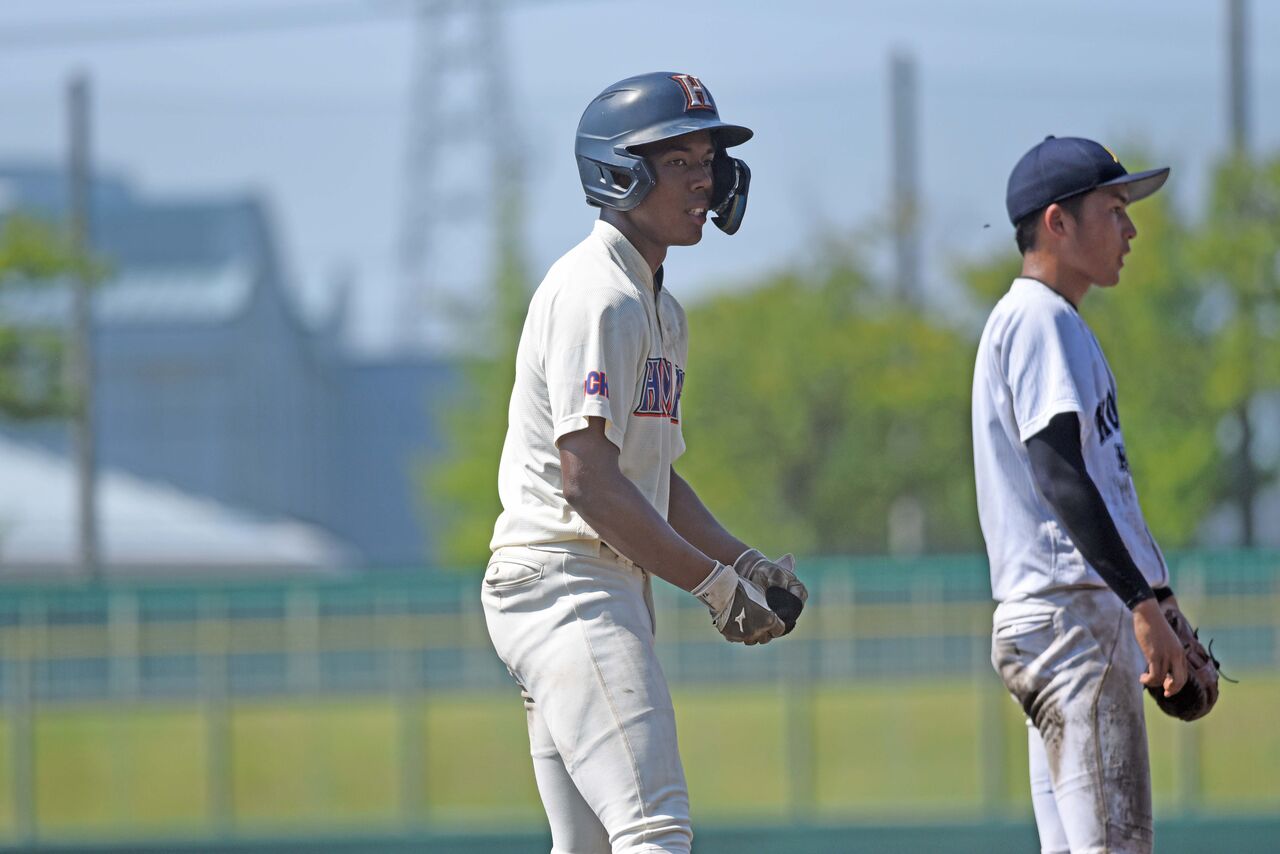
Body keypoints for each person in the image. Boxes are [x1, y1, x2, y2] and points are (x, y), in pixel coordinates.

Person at [481, 72, 808, 854]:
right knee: (654, 829)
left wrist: (743, 562)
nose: (704, 180)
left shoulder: (658, 306)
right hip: (569, 581)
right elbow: (589, 481)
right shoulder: (598, 295)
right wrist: (712, 585)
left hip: (583, 582)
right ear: (619, 172)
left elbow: (651, 480)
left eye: (709, 160)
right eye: (679, 160)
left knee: (591, 846)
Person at [972, 135, 1206, 853]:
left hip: (1053, 618)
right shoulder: (1039, 318)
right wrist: (1142, 606)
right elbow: (1061, 475)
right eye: (1114, 209)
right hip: (1072, 618)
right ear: (1058, 222)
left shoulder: (1047, 320)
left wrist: (1158, 598)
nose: (1130, 229)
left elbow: (1092, 482)